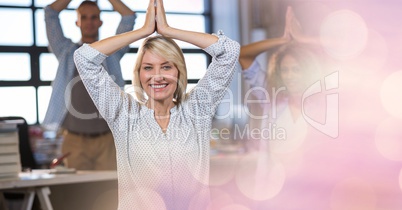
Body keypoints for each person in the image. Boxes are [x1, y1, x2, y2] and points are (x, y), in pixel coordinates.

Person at [73, 0, 240, 209]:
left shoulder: (197, 109)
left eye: (166, 66)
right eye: (148, 67)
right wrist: (143, 31)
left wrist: (168, 30)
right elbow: (84, 58)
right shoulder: (124, 114)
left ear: (178, 70)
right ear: (139, 74)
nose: (157, 76)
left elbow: (230, 52)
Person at [42, 0, 136, 170]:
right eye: (84, 17)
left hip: (108, 139)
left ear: (100, 21)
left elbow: (129, 17)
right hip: (74, 140)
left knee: (108, 192)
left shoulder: (112, 53)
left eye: (94, 17)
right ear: (77, 22)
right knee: (78, 193)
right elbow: (50, 13)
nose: (89, 22)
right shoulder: (66, 51)